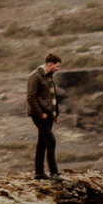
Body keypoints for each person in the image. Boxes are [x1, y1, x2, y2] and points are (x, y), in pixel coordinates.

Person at [26, 51, 64, 180]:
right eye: (56, 66)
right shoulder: (35, 77)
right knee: (51, 141)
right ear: (50, 64)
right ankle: (54, 173)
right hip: (40, 115)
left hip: (49, 115)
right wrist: (40, 114)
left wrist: (55, 113)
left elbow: (52, 96)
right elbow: (31, 97)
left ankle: (39, 173)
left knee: (42, 143)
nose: (58, 69)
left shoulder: (48, 76)